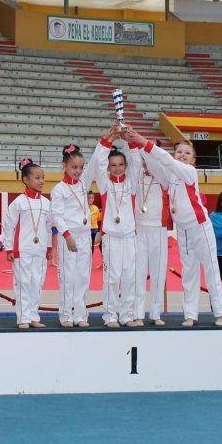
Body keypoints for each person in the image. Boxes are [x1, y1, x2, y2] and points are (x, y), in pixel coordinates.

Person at [125, 127, 222, 327]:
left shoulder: (189, 172)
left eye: (187, 153)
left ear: (193, 160)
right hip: (183, 230)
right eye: (179, 151)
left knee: (211, 269)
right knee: (189, 272)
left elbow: (166, 160)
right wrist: (136, 143)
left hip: (200, 227)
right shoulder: (170, 177)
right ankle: (190, 315)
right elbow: (155, 165)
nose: (182, 155)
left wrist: (143, 140)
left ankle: (220, 312)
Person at [89, 131, 140, 327]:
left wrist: (129, 139)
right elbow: (98, 162)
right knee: (112, 278)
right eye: (113, 165)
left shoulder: (132, 182)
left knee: (129, 278)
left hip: (129, 237)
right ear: (108, 167)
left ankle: (126, 315)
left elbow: (137, 161)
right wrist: (107, 139)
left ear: (126, 166)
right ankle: (110, 316)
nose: (117, 168)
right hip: (111, 237)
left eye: (121, 164)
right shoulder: (104, 184)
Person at [50, 143, 100, 327]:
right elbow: (57, 216)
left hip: (85, 235)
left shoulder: (83, 183)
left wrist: (106, 140)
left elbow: (95, 162)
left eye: (80, 167)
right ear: (64, 166)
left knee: (83, 276)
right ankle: (66, 315)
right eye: (73, 167)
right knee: (68, 276)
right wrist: (67, 235)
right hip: (68, 237)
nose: (78, 171)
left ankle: (80, 315)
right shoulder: (59, 189)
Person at [3, 158, 54, 329]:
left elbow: (48, 228)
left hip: (40, 250)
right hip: (22, 250)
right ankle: (23, 317)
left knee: (37, 283)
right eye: (37, 178)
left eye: (43, 177)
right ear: (26, 179)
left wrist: (49, 248)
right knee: (23, 283)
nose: (41, 181)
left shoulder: (47, 203)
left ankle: (33, 316)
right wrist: (9, 248)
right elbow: (9, 226)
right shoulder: (18, 202)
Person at [131, 144, 170, 326]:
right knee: (138, 272)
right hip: (139, 228)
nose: (147, 162)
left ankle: (156, 313)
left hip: (158, 229)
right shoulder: (136, 175)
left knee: (158, 273)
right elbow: (133, 157)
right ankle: (137, 313)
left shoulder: (164, 176)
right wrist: (136, 145)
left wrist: (149, 152)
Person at [87, 191, 103, 257]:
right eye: (89, 198)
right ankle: (88, 259)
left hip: (94, 229)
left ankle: (102, 258)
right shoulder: (84, 207)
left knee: (96, 244)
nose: (91, 199)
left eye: (92, 198)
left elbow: (98, 218)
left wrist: (102, 212)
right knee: (88, 245)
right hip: (87, 230)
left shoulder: (95, 208)